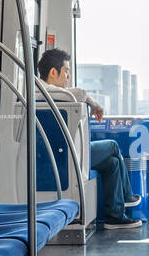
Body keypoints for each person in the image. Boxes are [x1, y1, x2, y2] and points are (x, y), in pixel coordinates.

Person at [37, 48, 142, 229]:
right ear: (53, 72)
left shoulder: (46, 90)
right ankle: (126, 197)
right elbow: (79, 93)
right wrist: (94, 104)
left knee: (112, 163)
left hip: (67, 151)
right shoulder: (46, 91)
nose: (68, 77)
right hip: (66, 156)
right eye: (66, 71)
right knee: (113, 146)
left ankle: (114, 217)